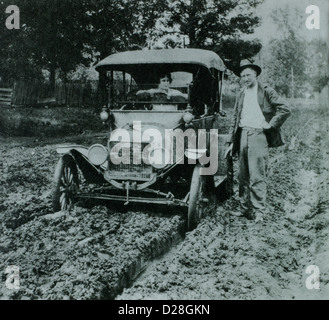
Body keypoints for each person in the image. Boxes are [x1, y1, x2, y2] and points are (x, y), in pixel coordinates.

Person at [225, 58, 290, 223]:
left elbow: (285, 109)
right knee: (242, 176)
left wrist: (270, 125)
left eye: (248, 75)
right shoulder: (241, 93)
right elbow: (235, 118)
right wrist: (232, 141)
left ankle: (259, 211)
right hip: (243, 136)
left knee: (257, 175)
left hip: (258, 136)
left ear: (255, 74)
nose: (245, 78)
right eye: (243, 76)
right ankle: (244, 209)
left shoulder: (266, 91)